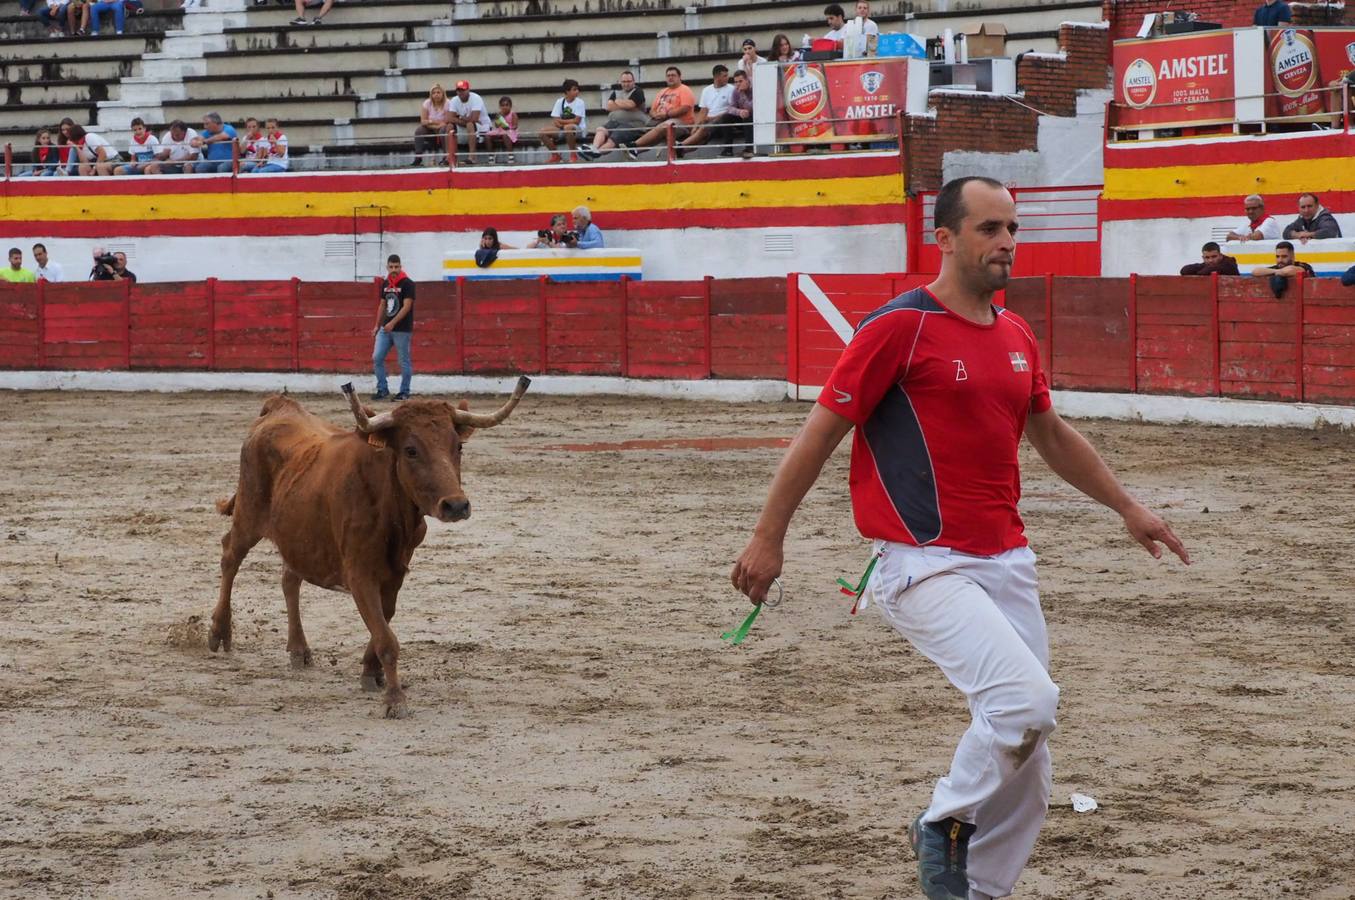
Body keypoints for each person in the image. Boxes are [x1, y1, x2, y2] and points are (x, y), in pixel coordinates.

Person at [730, 176, 1189, 900]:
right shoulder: (896, 326)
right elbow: (820, 433)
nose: (1006, 242)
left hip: (1008, 561)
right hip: (923, 564)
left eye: (1011, 228)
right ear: (942, 238)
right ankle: (941, 820)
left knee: (1030, 773)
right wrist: (767, 538)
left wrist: (1126, 507)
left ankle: (974, 893)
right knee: (1023, 706)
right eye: (987, 229)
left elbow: (1048, 431)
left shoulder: (1013, 333)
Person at [371, 254, 415, 401]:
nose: (394, 269)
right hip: (386, 328)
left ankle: (404, 392)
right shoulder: (385, 284)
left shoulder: (408, 283)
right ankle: (382, 389)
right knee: (377, 357)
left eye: (396, 267)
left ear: (400, 267)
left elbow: (407, 306)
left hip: (401, 329)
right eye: (391, 267)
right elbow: (382, 305)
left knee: (403, 360)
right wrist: (377, 325)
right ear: (387, 267)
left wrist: (392, 323)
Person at [628, 66, 697, 157]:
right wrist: (655, 115)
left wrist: (667, 115)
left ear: (680, 77)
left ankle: (634, 145)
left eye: (673, 75)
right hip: (661, 120)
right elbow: (652, 110)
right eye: (668, 75)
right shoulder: (662, 92)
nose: (670, 77)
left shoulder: (685, 90)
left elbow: (685, 108)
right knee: (652, 128)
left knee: (665, 126)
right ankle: (635, 151)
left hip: (682, 122)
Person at [580, 70, 647, 159]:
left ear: (633, 82)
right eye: (624, 82)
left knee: (614, 138)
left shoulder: (638, 91)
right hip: (616, 122)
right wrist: (625, 106)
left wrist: (617, 102)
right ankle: (594, 148)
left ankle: (597, 153)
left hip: (632, 125)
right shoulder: (616, 92)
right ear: (620, 82)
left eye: (629, 81)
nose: (626, 84)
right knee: (601, 129)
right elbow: (609, 107)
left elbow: (631, 105)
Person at [680, 65, 738, 153]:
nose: (727, 78)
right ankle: (681, 151)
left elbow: (730, 111)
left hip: (722, 121)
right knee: (701, 132)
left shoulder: (732, 89)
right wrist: (695, 126)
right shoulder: (706, 90)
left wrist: (711, 118)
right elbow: (703, 110)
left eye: (727, 75)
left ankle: (680, 146)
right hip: (709, 121)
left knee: (704, 129)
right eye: (724, 76)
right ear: (716, 77)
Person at [539, 79, 588, 164]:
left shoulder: (580, 102)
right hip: (563, 128)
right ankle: (555, 155)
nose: (577, 91)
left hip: (578, 129)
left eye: (577, 89)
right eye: (574, 89)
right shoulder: (559, 102)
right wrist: (562, 125)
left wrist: (562, 121)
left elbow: (577, 121)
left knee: (568, 128)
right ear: (567, 91)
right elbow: (555, 121)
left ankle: (573, 154)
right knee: (542, 132)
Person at [448, 80, 491, 164]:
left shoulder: (476, 98)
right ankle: (450, 157)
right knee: (449, 126)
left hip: (482, 126)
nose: (461, 92)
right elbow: (449, 118)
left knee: (470, 124)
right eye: (458, 90)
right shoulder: (454, 100)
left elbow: (474, 119)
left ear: (468, 90)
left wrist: (460, 118)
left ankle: (472, 157)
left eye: (463, 90)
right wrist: (464, 119)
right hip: (467, 126)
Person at [413, 83, 452, 167]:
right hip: (430, 128)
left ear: (443, 94)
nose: (436, 95)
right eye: (433, 93)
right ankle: (418, 157)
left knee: (444, 129)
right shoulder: (427, 103)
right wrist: (436, 123)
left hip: (443, 128)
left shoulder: (448, 103)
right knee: (419, 130)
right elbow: (423, 121)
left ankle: (446, 157)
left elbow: (447, 121)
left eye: (438, 92)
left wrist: (430, 122)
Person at [726, 69, 754, 157]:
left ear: (747, 80)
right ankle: (728, 150)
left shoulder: (755, 87)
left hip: (756, 117)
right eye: (736, 82)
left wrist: (742, 94)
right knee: (725, 117)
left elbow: (751, 107)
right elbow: (730, 108)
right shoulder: (736, 90)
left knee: (747, 116)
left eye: (740, 81)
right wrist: (739, 111)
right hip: (743, 116)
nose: (738, 84)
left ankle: (749, 149)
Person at [484, 96, 519, 164]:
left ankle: (510, 155)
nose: (504, 107)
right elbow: (496, 126)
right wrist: (499, 119)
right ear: (500, 106)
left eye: (507, 105)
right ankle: (491, 155)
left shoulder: (513, 114)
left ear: (510, 106)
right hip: (500, 130)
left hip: (510, 131)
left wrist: (508, 128)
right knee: (487, 136)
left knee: (505, 135)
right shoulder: (499, 114)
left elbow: (515, 126)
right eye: (502, 105)